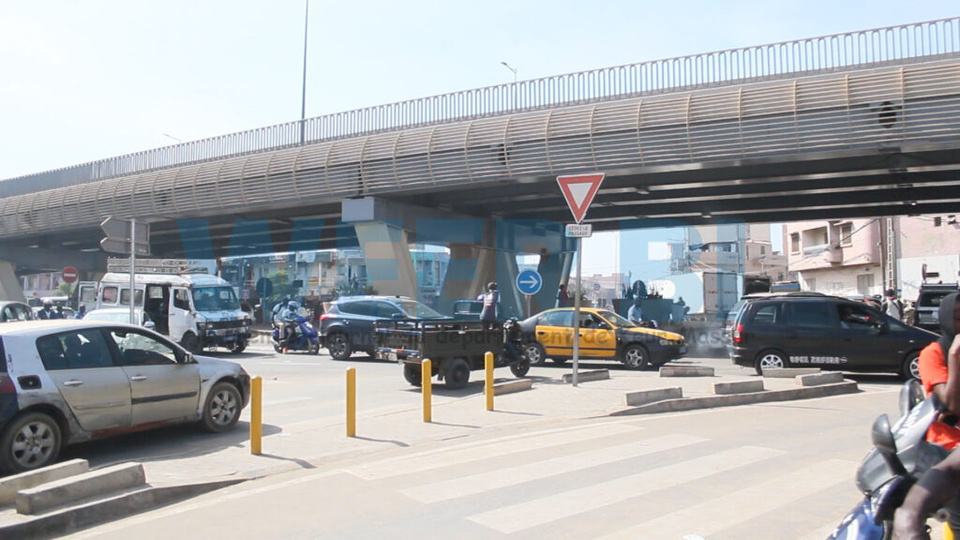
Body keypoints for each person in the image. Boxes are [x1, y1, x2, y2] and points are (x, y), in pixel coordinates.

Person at [909, 292, 960, 536]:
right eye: (958, 318)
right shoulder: (934, 353)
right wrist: (954, 357)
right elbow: (949, 401)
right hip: (947, 447)